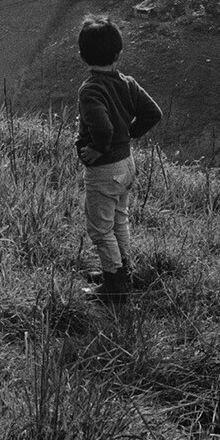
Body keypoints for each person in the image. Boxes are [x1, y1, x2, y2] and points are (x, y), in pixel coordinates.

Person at [75, 15, 162, 303]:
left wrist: (100, 147)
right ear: (118, 54)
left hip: (104, 170)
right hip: (127, 165)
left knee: (100, 229)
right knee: (119, 222)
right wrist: (130, 134)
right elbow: (153, 113)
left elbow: (102, 127)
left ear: (82, 56)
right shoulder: (128, 83)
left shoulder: (90, 89)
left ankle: (114, 286)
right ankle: (122, 272)